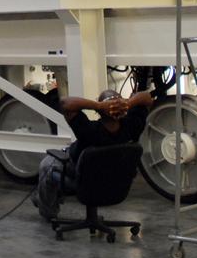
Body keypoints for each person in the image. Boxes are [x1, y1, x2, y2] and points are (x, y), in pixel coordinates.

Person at [34, 89, 154, 221]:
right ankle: (46, 197)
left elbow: (65, 103)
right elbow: (147, 97)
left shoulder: (88, 131)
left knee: (47, 164)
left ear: (99, 112)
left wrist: (99, 106)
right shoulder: (133, 127)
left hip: (85, 179)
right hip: (114, 180)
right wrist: (128, 103)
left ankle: (48, 212)